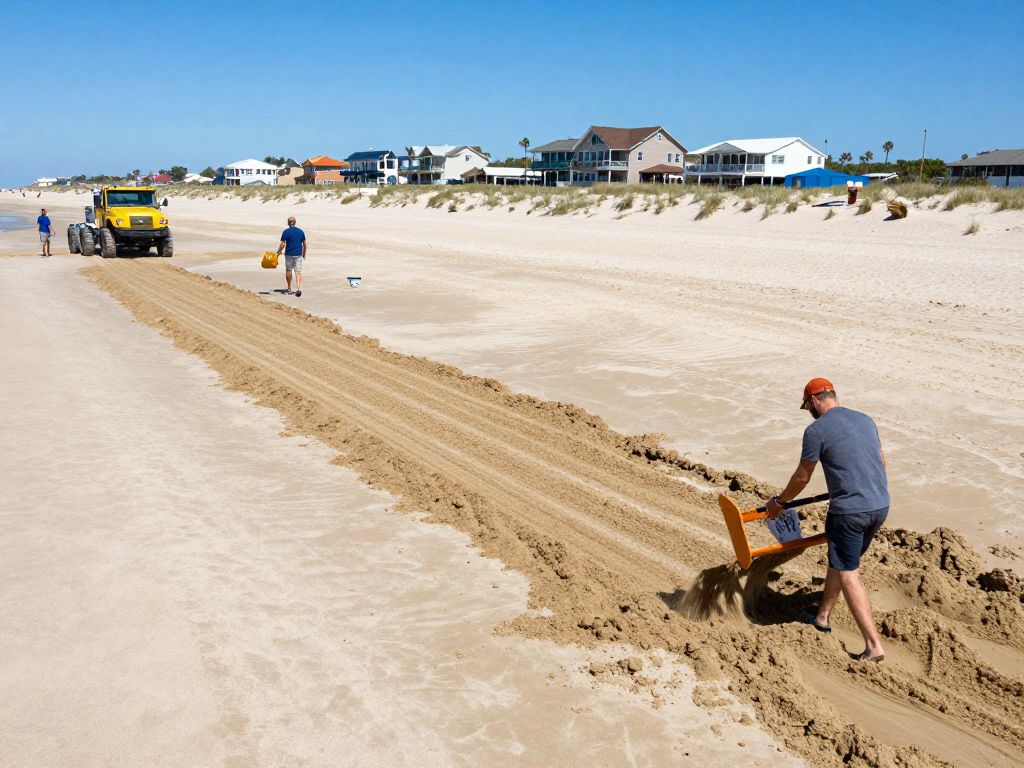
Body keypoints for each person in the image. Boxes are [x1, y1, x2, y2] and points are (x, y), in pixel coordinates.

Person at [766, 377, 889, 662]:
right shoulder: (865, 420)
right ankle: (822, 617)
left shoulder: (816, 430)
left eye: (807, 405)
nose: (808, 410)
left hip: (849, 512)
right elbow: (881, 462)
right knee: (840, 560)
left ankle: (874, 646)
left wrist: (780, 502)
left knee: (848, 574)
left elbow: (802, 477)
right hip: (880, 505)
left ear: (814, 400)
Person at [276, 216, 307, 297]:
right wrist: (304, 254)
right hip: (298, 254)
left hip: (289, 254)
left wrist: (278, 251)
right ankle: (298, 288)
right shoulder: (301, 231)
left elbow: (283, 243)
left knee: (289, 270)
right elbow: (304, 243)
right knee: (298, 272)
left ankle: (289, 288)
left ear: (288, 223)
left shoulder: (286, 232)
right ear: (295, 222)